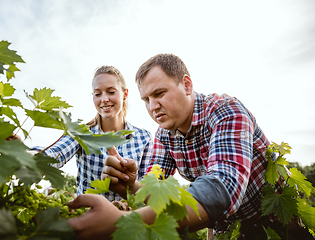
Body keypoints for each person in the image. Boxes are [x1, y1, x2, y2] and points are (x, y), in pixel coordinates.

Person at [66, 54, 312, 239]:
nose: (153, 107)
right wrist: (131, 186)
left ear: (186, 85)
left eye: (159, 93)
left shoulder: (225, 111)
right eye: (146, 100)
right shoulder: (163, 135)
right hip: (228, 225)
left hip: (280, 218)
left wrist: (122, 222)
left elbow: (222, 185)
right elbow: (155, 193)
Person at [32, 65, 153, 201]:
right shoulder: (82, 132)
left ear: (124, 94)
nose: (104, 99)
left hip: (128, 219)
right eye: (97, 94)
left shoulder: (144, 138)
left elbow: (147, 187)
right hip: (87, 216)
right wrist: (25, 154)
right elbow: (54, 155)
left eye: (111, 92)